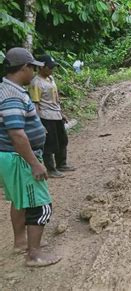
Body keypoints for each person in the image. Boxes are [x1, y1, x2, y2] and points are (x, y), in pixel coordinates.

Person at [0, 47, 61, 267]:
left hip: (10, 156)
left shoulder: (7, 89)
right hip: (21, 158)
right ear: (24, 67)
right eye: (32, 68)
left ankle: (20, 242)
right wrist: (34, 163)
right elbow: (16, 133)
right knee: (41, 204)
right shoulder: (12, 95)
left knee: (19, 200)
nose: (34, 73)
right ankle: (34, 254)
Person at [29, 54, 75, 178]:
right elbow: (35, 104)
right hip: (46, 116)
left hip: (56, 114)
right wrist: (38, 122)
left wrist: (61, 113)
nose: (52, 70)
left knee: (62, 140)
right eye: (50, 67)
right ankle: (51, 169)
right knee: (49, 144)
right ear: (42, 67)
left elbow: (56, 99)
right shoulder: (36, 83)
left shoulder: (51, 79)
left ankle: (62, 163)